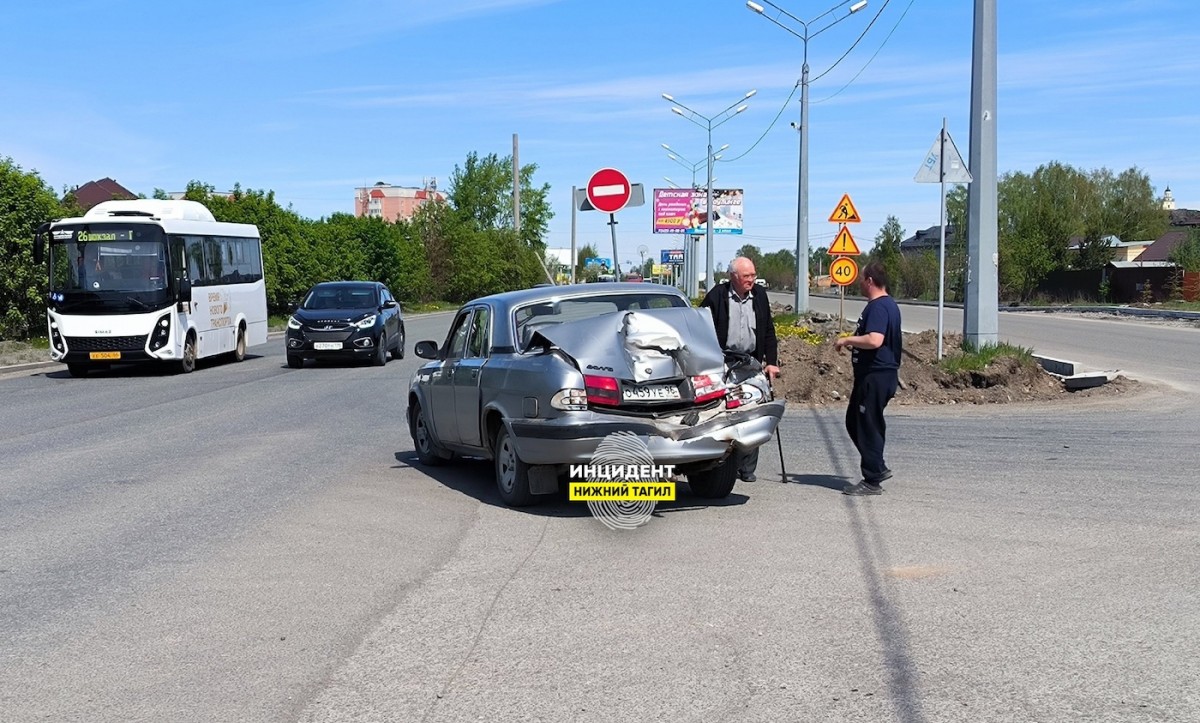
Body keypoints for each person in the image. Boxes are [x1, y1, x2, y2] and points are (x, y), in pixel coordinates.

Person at [700, 256, 780, 483]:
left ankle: (747, 468)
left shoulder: (760, 296)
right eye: (747, 276)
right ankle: (725, 463)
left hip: (751, 363)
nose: (751, 280)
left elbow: (768, 331)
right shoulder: (717, 296)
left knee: (753, 412)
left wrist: (771, 362)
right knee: (725, 414)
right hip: (723, 363)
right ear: (733, 276)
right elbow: (700, 326)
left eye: (753, 275)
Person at [833, 261, 902, 496]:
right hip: (873, 375)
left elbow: (874, 340)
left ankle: (872, 477)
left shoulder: (880, 307)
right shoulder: (884, 305)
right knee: (855, 421)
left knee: (867, 424)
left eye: (862, 279)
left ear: (870, 281)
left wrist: (847, 340)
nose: (859, 283)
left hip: (876, 376)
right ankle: (877, 466)